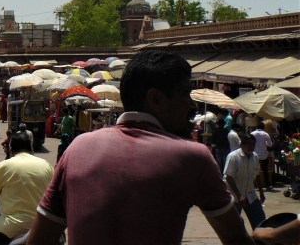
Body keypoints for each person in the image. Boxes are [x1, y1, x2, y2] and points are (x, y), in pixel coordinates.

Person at [28, 49, 254, 245]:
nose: (192, 105)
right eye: (185, 93)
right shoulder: (193, 156)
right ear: (155, 99)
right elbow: (236, 239)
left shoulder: (77, 148)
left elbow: (39, 239)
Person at [0, 132, 54, 245]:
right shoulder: (46, 166)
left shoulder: (6, 165)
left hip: (11, 226)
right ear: (31, 148)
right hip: (40, 226)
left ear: (10, 149)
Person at [224, 134, 266, 230]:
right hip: (234, 196)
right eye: (249, 144)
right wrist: (239, 195)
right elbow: (229, 177)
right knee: (233, 226)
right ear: (242, 145)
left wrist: (261, 192)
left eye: (253, 144)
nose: (251, 147)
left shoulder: (255, 157)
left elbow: (257, 175)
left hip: (250, 194)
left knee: (260, 222)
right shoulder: (233, 157)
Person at [252, 121, 273, 188]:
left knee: (254, 170)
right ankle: (267, 185)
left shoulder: (252, 134)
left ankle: (254, 185)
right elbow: (270, 145)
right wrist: (265, 144)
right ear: (263, 127)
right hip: (264, 154)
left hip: (254, 154)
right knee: (265, 170)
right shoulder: (265, 134)